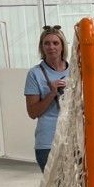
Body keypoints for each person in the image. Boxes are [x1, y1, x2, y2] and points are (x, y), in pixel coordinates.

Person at [24, 25, 70, 172]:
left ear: (62, 46)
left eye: (56, 43)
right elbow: (32, 113)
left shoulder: (76, 70)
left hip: (73, 138)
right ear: (41, 47)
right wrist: (52, 93)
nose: (51, 47)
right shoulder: (35, 74)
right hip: (48, 142)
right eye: (47, 43)